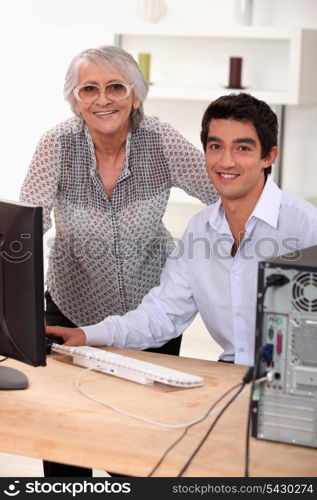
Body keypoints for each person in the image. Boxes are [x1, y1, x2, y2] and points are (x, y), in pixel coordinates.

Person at [19, 45, 217, 477]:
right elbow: (25, 227)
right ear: (75, 99)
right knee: (67, 441)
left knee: (138, 446)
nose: (103, 99)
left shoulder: (160, 140)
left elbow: (220, 193)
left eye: (115, 87)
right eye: (89, 88)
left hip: (152, 315)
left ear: (136, 96)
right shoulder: (57, 143)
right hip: (71, 306)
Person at [47, 92, 317, 368]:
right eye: (215, 147)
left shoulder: (306, 227)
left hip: (295, 380)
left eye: (242, 148)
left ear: (268, 157)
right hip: (230, 373)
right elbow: (162, 315)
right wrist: (86, 334)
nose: (226, 161)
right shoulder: (200, 230)